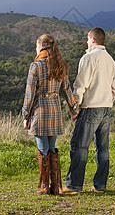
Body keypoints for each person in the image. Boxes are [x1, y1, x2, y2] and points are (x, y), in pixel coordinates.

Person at [62, 27, 115, 194]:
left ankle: (73, 185)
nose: (87, 42)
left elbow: (81, 85)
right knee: (103, 148)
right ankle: (100, 185)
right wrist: (108, 101)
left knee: (79, 146)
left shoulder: (88, 57)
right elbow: (114, 87)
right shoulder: (111, 60)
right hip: (106, 108)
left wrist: (75, 106)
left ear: (92, 39)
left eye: (87, 39)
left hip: (90, 108)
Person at [22, 34, 79, 195]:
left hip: (40, 111)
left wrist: (25, 115)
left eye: (36, 46)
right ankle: (55, 186)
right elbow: (67, 90)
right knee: (52, 148)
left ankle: (45, 187)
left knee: (43, 149)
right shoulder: (60, 65)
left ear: (41, 47)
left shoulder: (36, 66)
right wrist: (74, 109)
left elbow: (29, 94)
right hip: (55, 111)